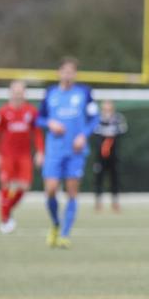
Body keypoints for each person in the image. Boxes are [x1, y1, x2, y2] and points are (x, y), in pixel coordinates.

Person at [36, 57, 100, 249]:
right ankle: (55, 224)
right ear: (59, 73)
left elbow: (94, 118)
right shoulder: (50, 93)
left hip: (75, 152)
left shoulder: (84, 93)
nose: (68, 75)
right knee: (51, 190)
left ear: (75, 74)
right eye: (65, 71)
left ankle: (65, 234)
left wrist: (83, 135)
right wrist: (50, 123)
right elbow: (38, 119)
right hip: (54, 151)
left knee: (72, 192)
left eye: (71, 71)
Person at [0, 80, 44, 233]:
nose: (18, 95)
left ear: (24, 94)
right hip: (7, 156)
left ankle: (6, 209)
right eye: (15, 92)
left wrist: (40, 151)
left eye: (21, 92)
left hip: (24, 156)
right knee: (6, 186)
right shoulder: (3, 112)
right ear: (10, 93)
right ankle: (5, 220)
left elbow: (37, 133)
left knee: (24, 187)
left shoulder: (31, 111)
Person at [92, 100, 128, 212]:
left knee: (115, 178)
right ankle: (98, 202)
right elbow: (94, 130)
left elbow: (123, 129)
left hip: (114, 155)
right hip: (100, 155)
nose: (107, 110)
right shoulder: (97, 119)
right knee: (99, 178)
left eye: (109, 108)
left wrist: (111, 131)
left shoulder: (118, 118)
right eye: (105, 108)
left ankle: (115, 202)